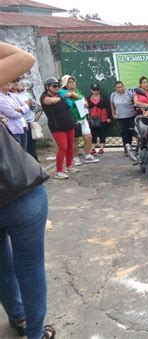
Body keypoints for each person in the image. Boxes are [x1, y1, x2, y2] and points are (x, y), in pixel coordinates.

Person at [0, 42, 56, 339]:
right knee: (30, 265)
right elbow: (25, 57)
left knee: (2, 267)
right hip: (20, 190)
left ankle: (19, 317)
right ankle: (35, 333)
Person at [40, 77, 78, 180]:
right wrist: (61, 96)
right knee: (63, 147)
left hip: (69, 124)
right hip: (57, 127)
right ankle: (59, 171)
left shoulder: (61, 93)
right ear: (48, 87)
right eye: (54, 86)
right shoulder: (45, 96)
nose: (57, 87)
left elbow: (77, 97)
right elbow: (49, 101)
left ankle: (69, 166)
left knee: (70, 145)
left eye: (58, 85)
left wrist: (70, 94)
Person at [59, 75, 99, 165]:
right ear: (65, 83)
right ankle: (75, 157)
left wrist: (85, 103)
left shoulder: (77, 91)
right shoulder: (63, 92)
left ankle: (88, 156)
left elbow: (84, 101)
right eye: (70, 81)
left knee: (88, 137)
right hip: (73, 118)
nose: (73, 83)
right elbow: (71, 101)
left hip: (83, 117)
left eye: (74, 81)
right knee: (75, 140)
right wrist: (72, 95)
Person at [11, 79, 39, 160]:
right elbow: (13, 111)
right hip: (19, 125)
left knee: (32, 147)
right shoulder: (9, 96)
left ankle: (35, 167)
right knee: (23, 148)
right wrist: (25, 107)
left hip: (30, 122)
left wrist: (32, 104)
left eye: (17, 81)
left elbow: (36, 108)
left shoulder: (26, 94)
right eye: (14, 81)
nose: (17, 83)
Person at [0, 80, 29, 150]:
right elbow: (12, 114)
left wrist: (17, 109)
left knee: (24, 151)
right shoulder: (1, 99)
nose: (8, 83)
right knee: (16, 152)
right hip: (12, 129)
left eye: (9, 81)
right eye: (5, 82)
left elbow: (27, 107)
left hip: (22, 126)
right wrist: (22, 111)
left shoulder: (13, 95)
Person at [110, 81, 136, 156]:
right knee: (124, 133)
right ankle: (126, 150)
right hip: (120, 118)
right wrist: (113, 113)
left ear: (123, 86)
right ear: (115, 88)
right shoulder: (113, 95)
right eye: (118, 87)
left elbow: (135, 100)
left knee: (130, 132)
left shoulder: (129, 93)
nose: (120, 88)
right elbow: (111, 104)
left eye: (121, 87)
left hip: (131, 116)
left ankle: (130, 148)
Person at [87, 83, 112, 155]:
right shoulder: (88, 98)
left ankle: (101, 149)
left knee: (102, 134)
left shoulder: (104, 98)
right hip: (93, 119)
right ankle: (93, 148)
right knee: (93, 134)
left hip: (103, 118)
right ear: (91, 90)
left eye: (97, 89)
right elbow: (87, 109)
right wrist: (88, 119)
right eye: (94, 89)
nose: (96, 91)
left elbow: (108, 108)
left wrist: (109, 117)